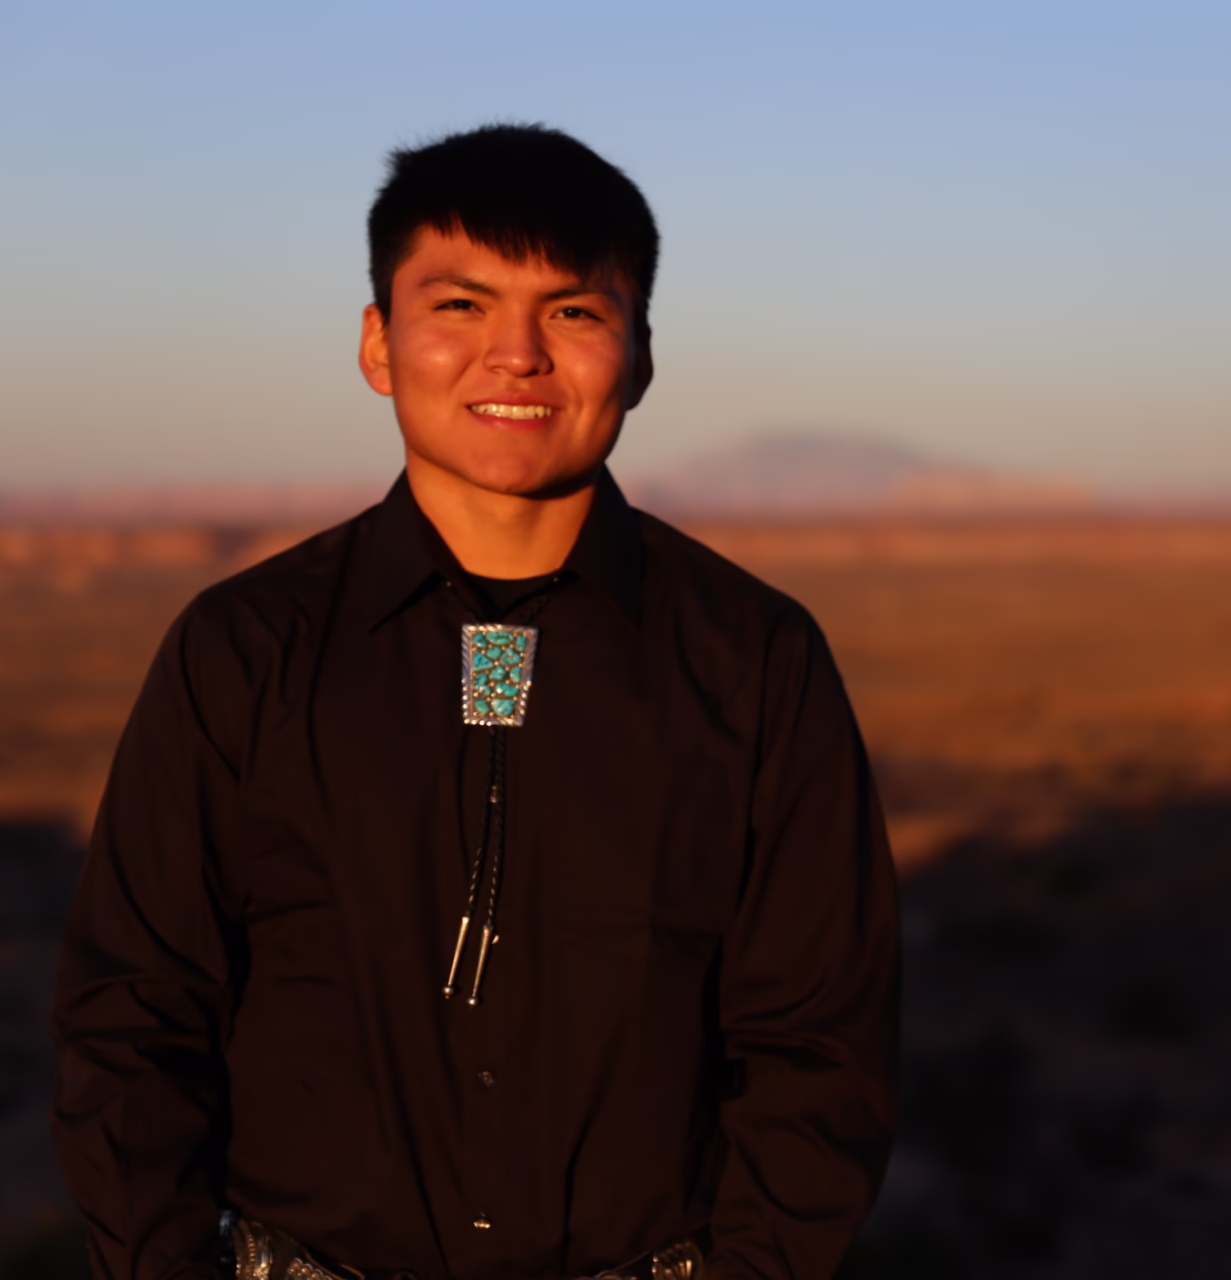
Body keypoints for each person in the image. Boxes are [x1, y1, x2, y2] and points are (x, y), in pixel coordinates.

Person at [50, 123, 899, 1280]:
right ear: (377, 343)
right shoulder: (241, 651)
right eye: (459, 306)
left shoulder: (755, 660)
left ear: (639, 353)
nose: (516, 355)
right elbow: (133, 1019)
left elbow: (822, 1046)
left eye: (573, 312)